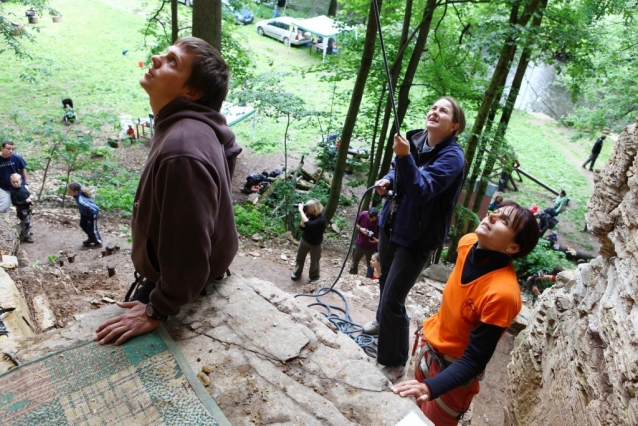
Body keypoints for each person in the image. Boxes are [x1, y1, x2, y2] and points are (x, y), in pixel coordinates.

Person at [95, 37, 242, 346]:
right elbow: (230, 149)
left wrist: (157, 308)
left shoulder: (182, 149)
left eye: (172, 61)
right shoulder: (190, 128)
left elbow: (188, 246)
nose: (156, 58)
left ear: (192, 92)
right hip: (178, 281)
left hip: (179, 291)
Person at [391, 201, 540, 425]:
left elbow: (474, 360)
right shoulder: (467, 243)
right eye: (495, 213)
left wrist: (431, 386)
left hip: (453, 371)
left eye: (503, 221)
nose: (490, 217)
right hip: (429, 348)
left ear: (512, 248)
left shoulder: (502, 294)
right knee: (417, 413)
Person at [366, 96, 466, 383]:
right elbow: (400, 173)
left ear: (454, 126)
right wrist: (387, 179)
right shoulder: (418, 141)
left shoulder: (452, 157)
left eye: (443, 111)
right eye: (433, 107)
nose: (435, 111)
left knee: (393, 299)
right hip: (393, 225)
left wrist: (404, 157)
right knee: (385, 283)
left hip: (417, 239)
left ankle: (394, 362)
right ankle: (382, 324)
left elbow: (423, 190)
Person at [291, 199, 327, 282]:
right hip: (304, 240)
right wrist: (304, 213)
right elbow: (302, 227)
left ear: (314, 208)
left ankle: (314, 277)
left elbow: (310, 225)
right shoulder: (308, 214)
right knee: (300, 258)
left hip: (316, 244)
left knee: (314, 262)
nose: (307, 209)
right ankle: (297, 273)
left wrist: (301, 211)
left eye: (308, 208)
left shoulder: (322, 219)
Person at [67, 182, 102, 248]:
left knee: (93, 229)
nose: (68, 193)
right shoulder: (78, 191)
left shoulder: (81, 200)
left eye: (70, 191)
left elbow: (96, 208)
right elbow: (79, 185)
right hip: (84, 213)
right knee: (82, 225)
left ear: (75, 192)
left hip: (91, 214)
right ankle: (91, 238)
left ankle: (98, 242)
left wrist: (94, 215)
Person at [0, 141, 28, 214]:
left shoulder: (16, 157)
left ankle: (24, 223)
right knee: (4, 207)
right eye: (8, 149)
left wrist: (26, 184)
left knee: (24, 205)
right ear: (2, 148)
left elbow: (23, 169)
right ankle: (6, 223)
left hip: (18, 185)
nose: (11, 151)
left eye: (12, 149)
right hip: (4, 187)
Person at [349, 208, 379, 275]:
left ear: (377, 216)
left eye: (373, 219)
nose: (371, 220)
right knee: (354, 261)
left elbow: (385, 235)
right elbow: (355, 223)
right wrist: (361, 229)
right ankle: (352, 274)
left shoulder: (380, 220)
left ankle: (369, 278)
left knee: (371, 265)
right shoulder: (363, 214)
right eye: (369, 218)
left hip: (372, 247)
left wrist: (377, 241)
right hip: (360, 244)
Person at [9, 173, 34, 243]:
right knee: (25, 222)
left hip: (27, 208)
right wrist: (25, 201)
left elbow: (27, 193)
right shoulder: (13, 192)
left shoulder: (23, 187)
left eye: (17, 182)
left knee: (28, 220)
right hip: (21, 210)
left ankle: (26, 231)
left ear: (20, 181)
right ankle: (26, 236)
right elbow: (15, 203)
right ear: (11, 182)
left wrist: (30, 196)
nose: (15, 184)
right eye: (13, 182)